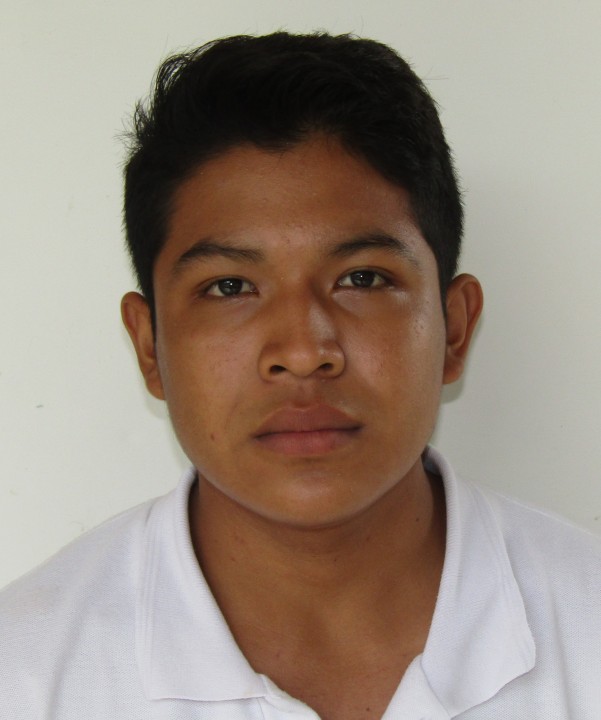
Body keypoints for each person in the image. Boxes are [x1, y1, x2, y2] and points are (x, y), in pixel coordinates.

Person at [0, 31, 599, 720]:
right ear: (149, 347)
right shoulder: (26, 674)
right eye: (229, 287)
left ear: (454, 330)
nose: (303, 350)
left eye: (362, 278)